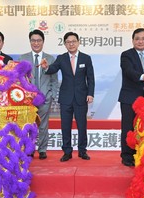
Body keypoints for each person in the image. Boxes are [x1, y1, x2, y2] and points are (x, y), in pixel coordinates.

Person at [40, 32, 95, 162]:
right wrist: (46, 68)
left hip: (81, 97)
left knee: (82, 125)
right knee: (65, 125)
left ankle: (82, 151)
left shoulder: (86, 58)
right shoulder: (61, 58)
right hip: (65, 98)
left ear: (78, 42)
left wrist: (90, 94)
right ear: (65, 44)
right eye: (68, 42)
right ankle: (67, 151)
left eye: (73, 41)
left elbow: (90, 78)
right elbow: (52, 69)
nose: (71, 44)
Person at [118, 28, 144, 167]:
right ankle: (127, 156)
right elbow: (128, 71)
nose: (140, 41)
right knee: (128, 128)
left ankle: (141, 153)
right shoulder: (126, 55)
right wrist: (141, 77)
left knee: (143, 128)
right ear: (133, 40)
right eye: (137, 38)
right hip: (129, 98)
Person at [19, 30, 58, 160]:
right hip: (27, 100)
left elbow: (54, 80)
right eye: (33, 40)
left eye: (39, 40)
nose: (36, 43)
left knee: (43, 125)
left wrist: (51, 95)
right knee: (29, 125)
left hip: (45, 98)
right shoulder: (23, 58)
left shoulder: (50, 58)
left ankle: (42, 149)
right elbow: (19, 79)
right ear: (30, 42)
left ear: (43, 42)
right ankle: (29, 149)